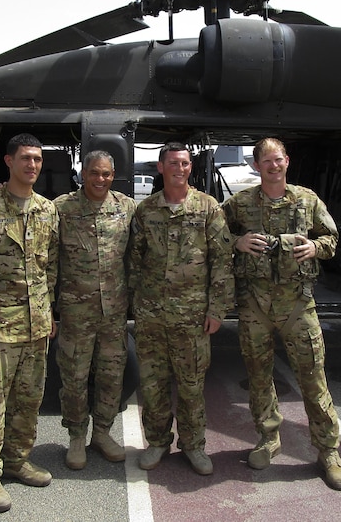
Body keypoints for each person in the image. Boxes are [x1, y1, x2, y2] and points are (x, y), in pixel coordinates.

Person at [222, 137, 341, 490]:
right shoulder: (239, 204)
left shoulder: (307, 200)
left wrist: (314, 246)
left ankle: (328, 451)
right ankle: (268, 438)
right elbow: (214, 234)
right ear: (255, 166)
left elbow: (332, 240)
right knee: (259, 377)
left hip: (297, 305)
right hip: (255, 307)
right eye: (266, 162)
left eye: (278, 160)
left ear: (287, 161)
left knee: (313, 378)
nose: (273, 166)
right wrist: (237, 243)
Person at [128, 142, 234, 476]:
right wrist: (134, 306)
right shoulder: (146, 211)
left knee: (191, 387)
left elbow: (221, 261)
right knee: (154, 385)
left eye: (185, 163)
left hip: (192, 319)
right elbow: (134, 261)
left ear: (191, 167)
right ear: (160, 167)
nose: (180, 168)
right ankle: (157, 442)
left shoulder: (207, 208)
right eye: (173, 163)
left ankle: (193, 446)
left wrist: (217, 310)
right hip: (151, 317)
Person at [0, 133, 59, 513]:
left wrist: (49, 310)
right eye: (25, 158)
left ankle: (18, 459)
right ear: (9, 161)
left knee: (29, 399)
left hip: (36, 325)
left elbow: (49, 265)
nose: (32, 165)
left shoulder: (46, 209)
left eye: (37, 159)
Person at [53, 150, 136, 470]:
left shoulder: (126, 207)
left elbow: (137, 255)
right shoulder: (61, 208)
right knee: (74, 377)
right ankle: (76, 437)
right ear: (83, 174)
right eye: (94, 173)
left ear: (112, 175)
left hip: (114, 312)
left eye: (106, 174)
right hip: (76, 313)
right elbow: (47, 258)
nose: (100, 179)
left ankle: (102, 433)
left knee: (112, 376)